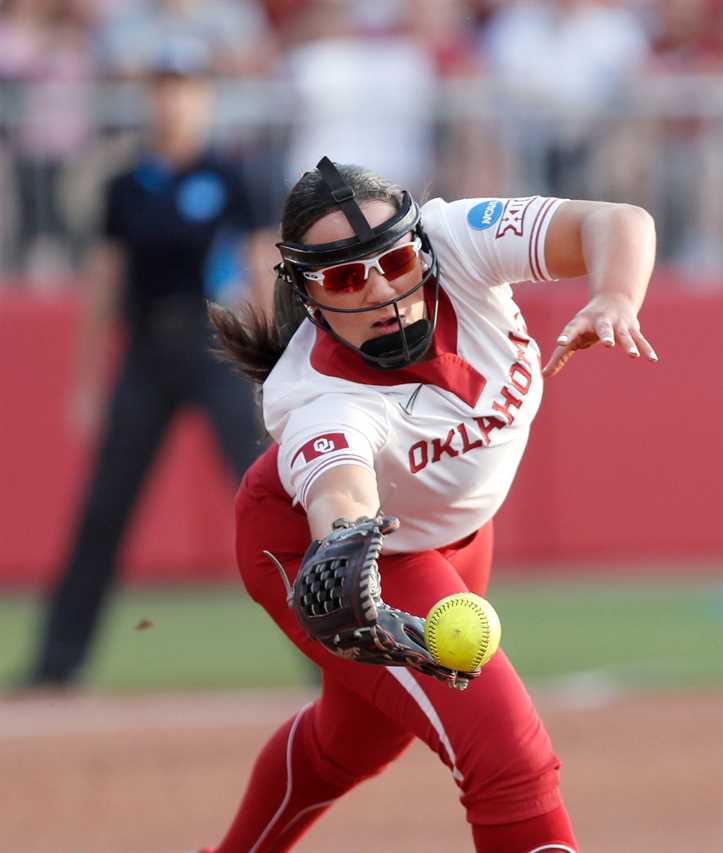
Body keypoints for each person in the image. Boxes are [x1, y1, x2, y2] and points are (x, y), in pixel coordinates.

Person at [200, 158, 658, 851]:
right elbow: (340, 494)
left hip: (456, 534)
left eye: (395, 258)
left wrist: (616, 295)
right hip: (331, 552)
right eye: (347, 276)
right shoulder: (314, 394)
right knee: (510, 760)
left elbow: (616, 220)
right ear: (308, 294)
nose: (383, 287)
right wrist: (344, 556)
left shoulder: (454, 238)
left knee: (355, 740)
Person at [15, 41, 270, 691]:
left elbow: (262, 267)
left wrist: (275, 368)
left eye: (184, 87)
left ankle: (332, 652)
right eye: (160, 87)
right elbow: (104, 280)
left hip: (219, 348)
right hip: (147, 354)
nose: (171, 100)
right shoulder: (128, 186)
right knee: (102, 511)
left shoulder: (232, 176)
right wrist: (86, 380)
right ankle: (57, 661)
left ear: (206, 98)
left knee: (271, 501)